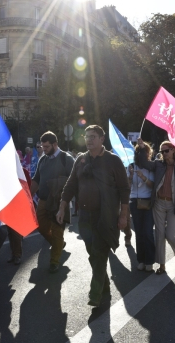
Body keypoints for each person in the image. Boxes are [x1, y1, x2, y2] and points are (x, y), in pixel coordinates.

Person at [57, 125, 130, 307]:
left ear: (102, 139)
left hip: (105, 216)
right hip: (85, 217)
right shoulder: (81, 160)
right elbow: (71, 185)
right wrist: (62, 207)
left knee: (99, 252)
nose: (89, 140)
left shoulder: (113, 160)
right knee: (92, 254)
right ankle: (104, 283)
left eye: (93, 136)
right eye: (87, 136)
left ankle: (95, 294)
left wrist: (123, 216)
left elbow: (124, 189)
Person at [135, 139, 175, 275]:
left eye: (166, 151)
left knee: (170, 235)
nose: (164, 154)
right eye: (162, 151)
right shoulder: (158, 164)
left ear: (173, 150)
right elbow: (143, 163)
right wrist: (142, 148)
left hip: (173, 204)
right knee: (159, 235)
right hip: (158, 203)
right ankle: (162, 265)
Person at [31, 131, 75, 273]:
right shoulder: (43, 160)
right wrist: (28, 197)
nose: (44, 149)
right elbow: (36, 180)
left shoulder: (66, 159)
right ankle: (58, 244)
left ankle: (54, 261)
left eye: (47, 147)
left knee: (57, 231)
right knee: (40, 226)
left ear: (55, 144)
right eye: (42, 147)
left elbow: (75, 180)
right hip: (43, 201)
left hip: (59, 202)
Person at [127, 142, 155, 272]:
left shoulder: (151, 167)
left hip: (148, 201)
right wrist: (131, 177)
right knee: (139, 232)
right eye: (138, 152)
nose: (141, 155)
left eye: (143, 152)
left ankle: (149, 260)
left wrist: (143, 177)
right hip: (135, 201)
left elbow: (153, 186)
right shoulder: (131, 166)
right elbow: (127, 187)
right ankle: (141, 260)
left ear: (148, 154)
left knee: (148, 232)